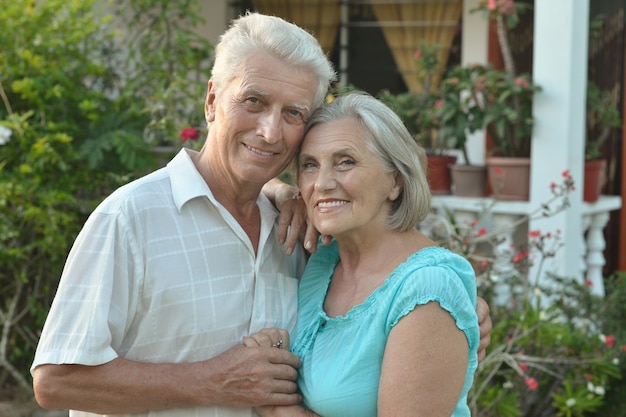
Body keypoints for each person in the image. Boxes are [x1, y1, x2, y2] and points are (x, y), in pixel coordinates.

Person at [31, 12, 491, 417]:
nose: (271, 131)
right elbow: (55, 380)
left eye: (293, 113)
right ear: (212, 101)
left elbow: (392, 288)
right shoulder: (130, 219)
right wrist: (209, 380)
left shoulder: (303, 235)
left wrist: (452, 310)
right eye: (254, 101)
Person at [246, 92, 479, 417]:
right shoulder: (326, 259)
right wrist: (282, 193)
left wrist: (275, 407)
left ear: (395, 181)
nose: (322, 183)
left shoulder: (428, 291)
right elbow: (235, 175)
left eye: (346, 162)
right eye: (309, 166)